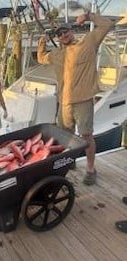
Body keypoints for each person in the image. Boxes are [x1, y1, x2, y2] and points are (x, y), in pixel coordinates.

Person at [37, 12, 113, 185]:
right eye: (59, 33)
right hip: (64, 103)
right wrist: (42, 41)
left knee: (86, 136)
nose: (63, 35)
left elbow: (107, 25)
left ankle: (90, 169)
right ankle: (70, 161)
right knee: (65, 136)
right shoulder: (56, 54)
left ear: (72, 30)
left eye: (66, 31)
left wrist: (88, 16)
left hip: (84, 100)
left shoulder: (88, 42)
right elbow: (41, 58)